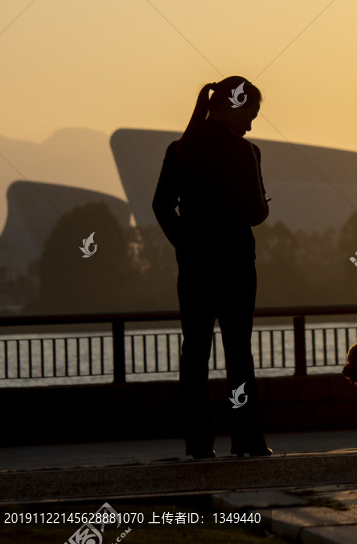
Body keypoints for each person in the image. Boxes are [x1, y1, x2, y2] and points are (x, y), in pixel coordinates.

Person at [152, 76, 271, 459]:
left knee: (195, 353)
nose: (251, 124)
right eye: (251, 113)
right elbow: (256, 213)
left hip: (194, 266)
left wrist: (185, 242)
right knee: (238, 353)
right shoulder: (245, 152)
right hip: (236, 263)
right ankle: (246, 439)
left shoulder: (180, 149)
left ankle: (199, 444)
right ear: (235, 107)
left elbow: (160, 206)